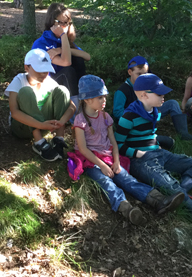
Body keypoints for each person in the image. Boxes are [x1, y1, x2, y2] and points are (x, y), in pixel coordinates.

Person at [68, 75, 185, 225]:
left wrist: (116, 161)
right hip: (91, 160)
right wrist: (102, 166)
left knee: (126, 179)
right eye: (100, 98)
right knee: (106, 182)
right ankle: (127, 209)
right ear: (87, 99)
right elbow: (83, 149)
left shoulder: (105, 117)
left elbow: (114, 142)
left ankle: (159, 200)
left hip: (109, 157)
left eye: (104, 97)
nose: (104, 100)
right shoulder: (81, 121)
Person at [115, 73, 192, 234]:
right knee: (170, 185)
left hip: (159, 153)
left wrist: (157, 146)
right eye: (159, 93)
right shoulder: (128, 117)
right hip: (142, 161)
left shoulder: (154, 111)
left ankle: (182, 192)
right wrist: (137, 154)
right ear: (144, 95)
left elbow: (152, 134)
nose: (163, 96)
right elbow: (118, 144)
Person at [4, 49, 75, 161]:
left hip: (45, 125)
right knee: (26, 92)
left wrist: (61, 122)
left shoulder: (48, 81)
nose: (43, 74)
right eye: (39, 70)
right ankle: (39, 142)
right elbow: (15, 112)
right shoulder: (19, 80)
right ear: (27, 67)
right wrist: (41, 125)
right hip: (22, 127)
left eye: (46, 70)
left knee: (62, 90)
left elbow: (72, 106)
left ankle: (59, 139)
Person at [113, 56, 192, 143]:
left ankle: (184, 134)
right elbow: (117, 112)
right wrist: (136, 118)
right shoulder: (122, 91)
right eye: (139, 74)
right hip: (134, 124)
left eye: (145, 74)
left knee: (172, 103)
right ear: (130, 72)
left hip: (150, 114)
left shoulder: (148, 84)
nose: (142, 77)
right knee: (167, 142)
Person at [31, 3, 90, 111]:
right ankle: (76, 112)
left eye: (66, 23)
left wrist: (61, 49)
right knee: (68, 71)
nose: (63, 27)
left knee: (78, 60)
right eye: (59, 22)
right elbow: (66, 62)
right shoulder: (42, 44)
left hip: (66, 84)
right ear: (51, 22)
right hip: (46, 85)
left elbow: (87, 56)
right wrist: (63, 35)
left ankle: (84, 102)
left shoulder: (64, 42)